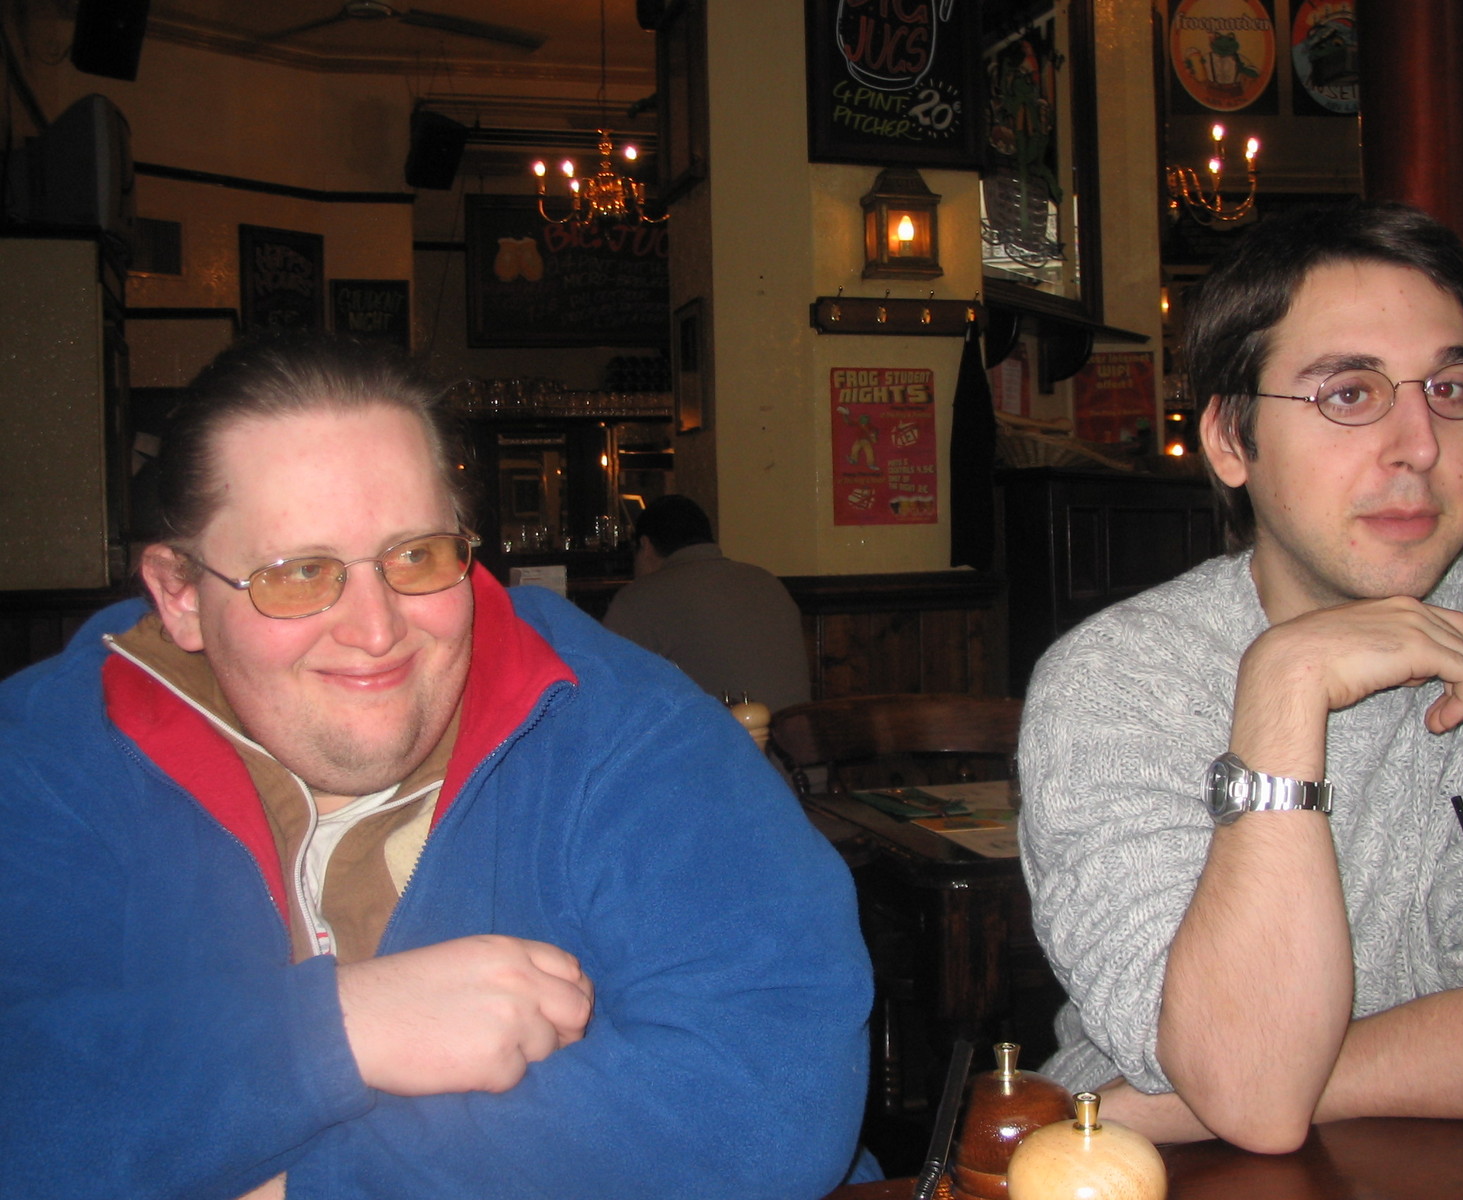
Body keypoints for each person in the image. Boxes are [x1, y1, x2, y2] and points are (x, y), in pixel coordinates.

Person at [0, 335, 873, 1199]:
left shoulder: (620, 722)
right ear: (181, 594)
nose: (377, 630)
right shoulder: (53, 751)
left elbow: (769, 1096)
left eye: (415, 555)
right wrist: (341, 1029)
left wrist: (301, 1184)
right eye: (299, 574)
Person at [1017, 202, 1463, 1153]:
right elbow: (1250, 1083)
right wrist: (1285, 685)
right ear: (1230, 441)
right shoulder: (1114, 682)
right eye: (1350, 394)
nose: (1420, 444)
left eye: (1451, 388)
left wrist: (1213, 1094)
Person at [604, 495, 812, 714]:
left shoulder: (640, 597)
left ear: (645, 546)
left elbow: (606, 686)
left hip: (723, 733)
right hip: (793, 732)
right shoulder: (767, 581)